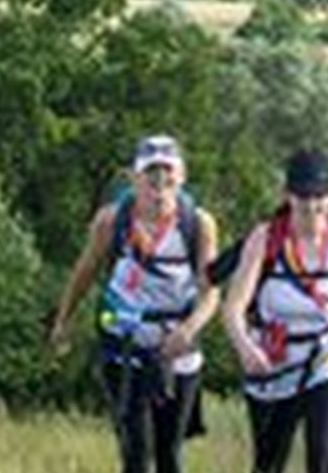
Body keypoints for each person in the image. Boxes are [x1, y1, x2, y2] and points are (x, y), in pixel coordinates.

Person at [50, 134, 219, 473]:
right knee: (135, 452)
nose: (159, 184)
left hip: (178, 347)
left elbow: (211, 292)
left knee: (170, 453)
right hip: (124, 343)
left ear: (181, 177)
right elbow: (84, 272)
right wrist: (63, 321)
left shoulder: (198, 224)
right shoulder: (111, 221)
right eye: (150, 174)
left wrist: (189, 330)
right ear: (135, 178)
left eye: (167, 174)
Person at [222, 149, 328, 473]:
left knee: (321, 452)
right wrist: (245, 347)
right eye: (303, 195)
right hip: (274, 356)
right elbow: (233, 306)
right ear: (288, 195)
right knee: (268, 464)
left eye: (320, 195)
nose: (312, 205)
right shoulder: (264, 238)